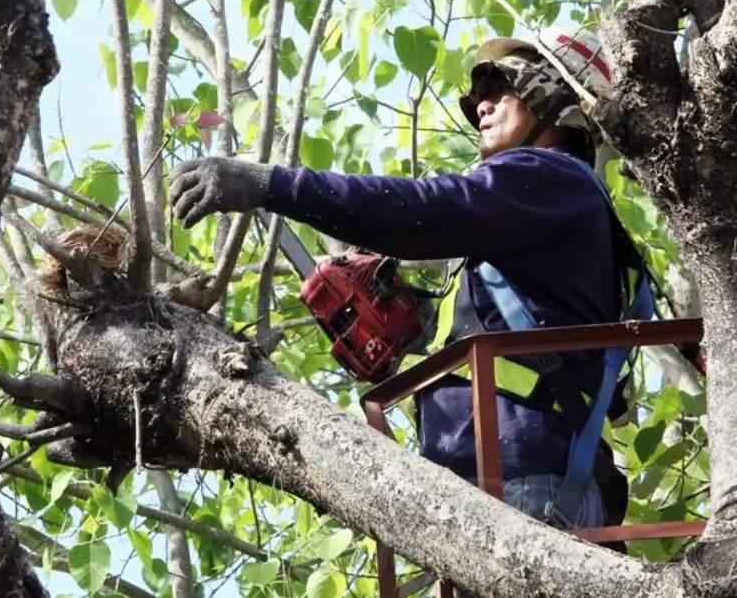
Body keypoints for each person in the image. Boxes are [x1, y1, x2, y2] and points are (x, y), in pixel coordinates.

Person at [168, 28, 652, 550]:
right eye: (476, 96)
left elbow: (427, 210)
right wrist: (417, 328)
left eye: (499, 86)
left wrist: (273, 186)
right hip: (497, 484)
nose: (481, 105)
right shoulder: (543, 217)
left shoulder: (552, 175)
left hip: (526, 482)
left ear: (553, 94)